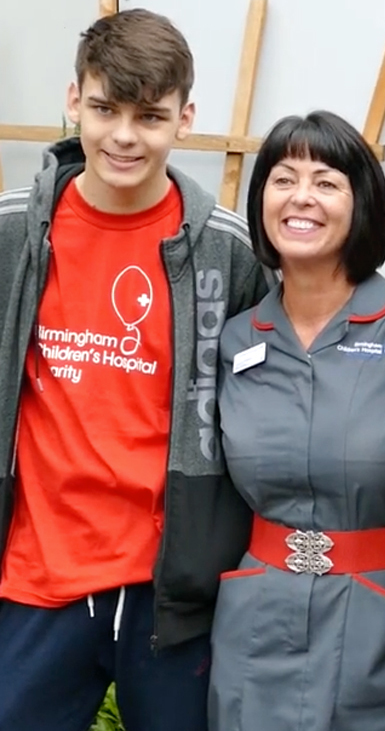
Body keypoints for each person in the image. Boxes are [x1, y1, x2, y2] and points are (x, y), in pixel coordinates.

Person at [0, 10, 269, 731]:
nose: (123, 135)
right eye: (104, 109)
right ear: (72, 100)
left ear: (186, 118)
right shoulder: (14, 232)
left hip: (173, 591)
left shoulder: (228, 251)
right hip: (38, 578)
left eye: (149, 115)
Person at [209, 110, 385, 731]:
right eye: (283, 179)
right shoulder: (235, 340)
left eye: (326, 181)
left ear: (360, 203)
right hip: (256, 629)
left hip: (384, 627)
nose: (301, 197)